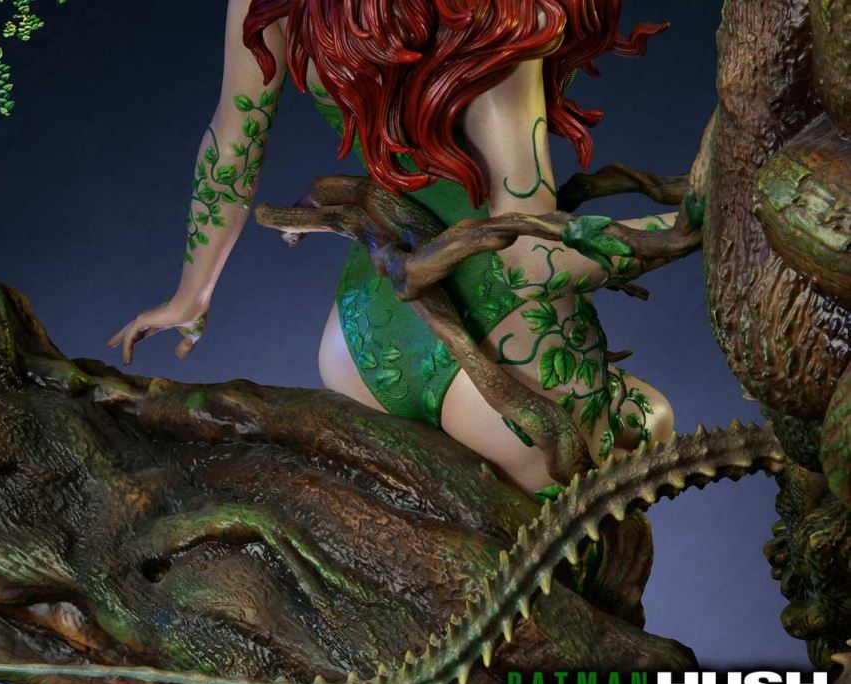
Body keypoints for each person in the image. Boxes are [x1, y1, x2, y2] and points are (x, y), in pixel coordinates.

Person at [109, 0, 675, 495]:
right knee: (653, 424)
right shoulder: (497, 18)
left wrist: (191, 295)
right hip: (506, 358)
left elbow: (234, 141)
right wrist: (692, 221)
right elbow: (528, 258)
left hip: (362, 338)